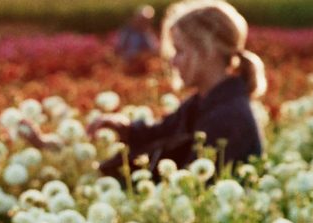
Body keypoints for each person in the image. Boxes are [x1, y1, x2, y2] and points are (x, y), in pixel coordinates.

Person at [24, 0, 265, 183]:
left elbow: (188, 189)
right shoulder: (202, 104)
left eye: (180, 51)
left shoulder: (228, 118)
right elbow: (155, 136)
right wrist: (121, 129)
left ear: (208, 50)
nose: (173, 62)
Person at [115, 6, 160, 74]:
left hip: (142, 67)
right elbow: (119, 48)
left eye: (147, 20)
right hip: (127, 65)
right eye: (143, 19)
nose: (145, 22)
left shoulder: (147, 33)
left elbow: (154, 50)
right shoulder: (127, 31)